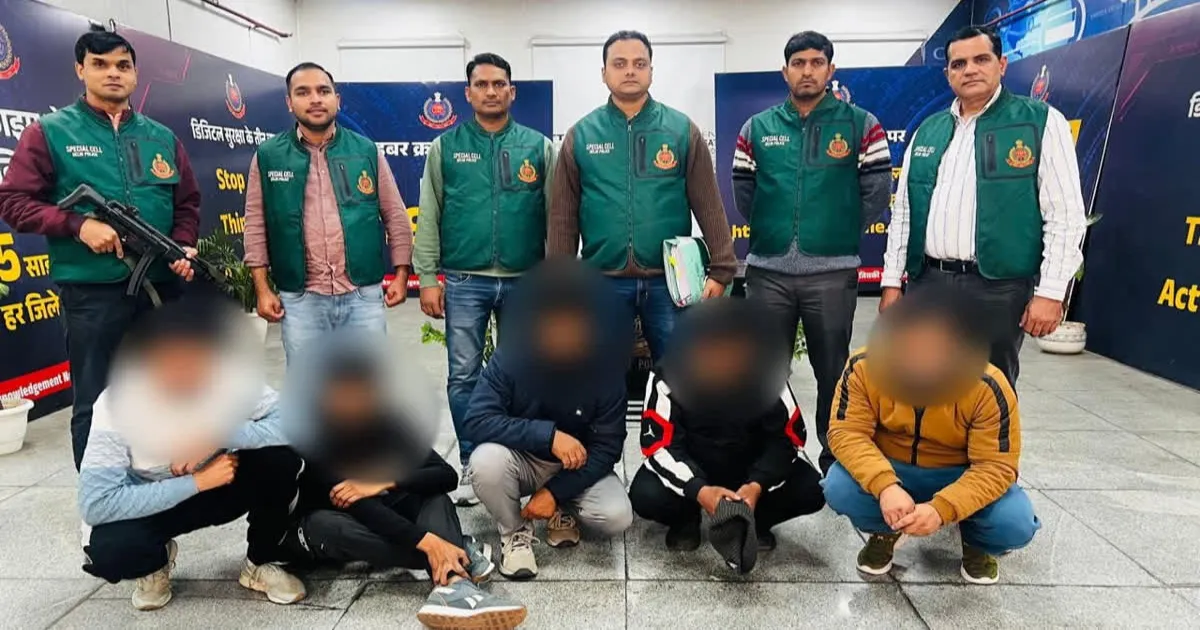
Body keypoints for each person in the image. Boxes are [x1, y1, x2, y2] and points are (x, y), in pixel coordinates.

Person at [0, 27, 200, 470]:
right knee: (96, 400)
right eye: (100, 64)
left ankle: (158, 484)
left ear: (135, 74)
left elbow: (186, 203)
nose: (113, 73)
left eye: (123, 65)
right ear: (80, 70)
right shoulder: (49, 132)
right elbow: (13, 202)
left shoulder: (162, 138)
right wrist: (77, 225)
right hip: (92, 293)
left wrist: (183, 245)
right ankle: (100, 499)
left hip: (160, 288)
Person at [879, 25, 1087, 386]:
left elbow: (1065, 215)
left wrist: (1051, 292)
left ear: (1001, 64)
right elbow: (904, 215)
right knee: (925, 386)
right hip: (929, 284)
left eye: (981, 59)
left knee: (990, 390)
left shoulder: (1039, 121)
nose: (970, 70)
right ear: (947, 73)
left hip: (997, 288)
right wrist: (891, 282)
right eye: (959, 64)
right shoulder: (928, 130)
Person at [77, 289, 307, 610]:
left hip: (219, 483)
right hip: (154, 502)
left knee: (280, 459)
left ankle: (260, 561)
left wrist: (219, 435)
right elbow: (96, 504)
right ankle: (153, 564)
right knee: (113, 550)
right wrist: (195, 482)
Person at [279, 341, 527, 630]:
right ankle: (458, 555)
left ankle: (454, 587)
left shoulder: (385, 421)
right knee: (328, 524)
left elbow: (445, 475)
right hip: (318, 533)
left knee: (432, 496)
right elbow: (362, 509)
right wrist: (433, 543)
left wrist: (386, 481)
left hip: (377, 520)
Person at [732, 31, 893, 475]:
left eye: (816, 62)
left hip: (832, 272)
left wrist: (836, 227)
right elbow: (745, 194)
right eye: (798, 63)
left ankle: (835, 458)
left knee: (833, 372)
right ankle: (769, 458)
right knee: (764, 372)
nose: (807, 71)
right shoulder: (757, 128)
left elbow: (877, 191)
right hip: (769, 271)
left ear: (830, 70)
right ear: (784, 71)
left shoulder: (861, 125)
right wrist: (776, 226)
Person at [821, 285, 1040, 585]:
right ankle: (886, 530)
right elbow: (847, 432)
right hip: (892, 466)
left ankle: (976, 541)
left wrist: (942, 509)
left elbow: (996, 466)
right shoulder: (863, 367)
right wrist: (885, 487)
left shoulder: (988, 386)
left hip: (958, 473)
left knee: (1013, 523)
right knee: (839, 487)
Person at [414, 53, 558, 507]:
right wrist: (427, 276)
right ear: (468, 93)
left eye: (499, 84)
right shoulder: (446, 147)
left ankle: (516, 458)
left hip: (527, 279)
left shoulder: (538, 147)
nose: (491, 91)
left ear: (512, 92)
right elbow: (430, 212)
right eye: (482, 84)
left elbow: (557, 216)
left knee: (524, 373)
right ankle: (472, 461)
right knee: (464, 375)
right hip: (465, 279)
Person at [547, 30, 737, 363]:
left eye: (639, 63)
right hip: (602, 282)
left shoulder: (681, 130)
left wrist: (721, 269)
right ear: (604, 73)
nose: (630, 71)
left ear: (651, 71)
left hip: (671, 283)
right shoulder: (582, 135)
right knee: (601, 375)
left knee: (679, 372)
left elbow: (708, 203)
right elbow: (563, 215)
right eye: (619, 64)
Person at [464, 260, 634, 580]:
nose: (564, 337)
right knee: (485, 462)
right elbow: (476, 419)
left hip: (576, 463)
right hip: (523, 459)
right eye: (555, 327)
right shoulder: (513, 355)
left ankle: (562, 509)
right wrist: (548, 436)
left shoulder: (606, 365)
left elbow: (609, 446)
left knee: (617, 515)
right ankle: (514, 532)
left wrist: (555, 492)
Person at [242, 62, 413, 364]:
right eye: (303, 92)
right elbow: (256, 224)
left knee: (367, 381)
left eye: (323, 91)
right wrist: (262, 289)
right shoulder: (269, 156)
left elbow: (395, 215)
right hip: (301, 298)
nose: (315, 99)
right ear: (289, 102)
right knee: (308, 382)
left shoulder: (366, 151)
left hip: (362, 295)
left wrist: (401, 274)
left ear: (337, 99)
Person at [629, 298, 826, 559]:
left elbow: (787, 440)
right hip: (694, 467)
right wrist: (699, 490)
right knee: (645, 495)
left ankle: (754, 520)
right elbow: (659, 447)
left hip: (747, 470)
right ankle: (686, 521)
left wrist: (757, 484)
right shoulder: (667, 375)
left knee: (812, 488)